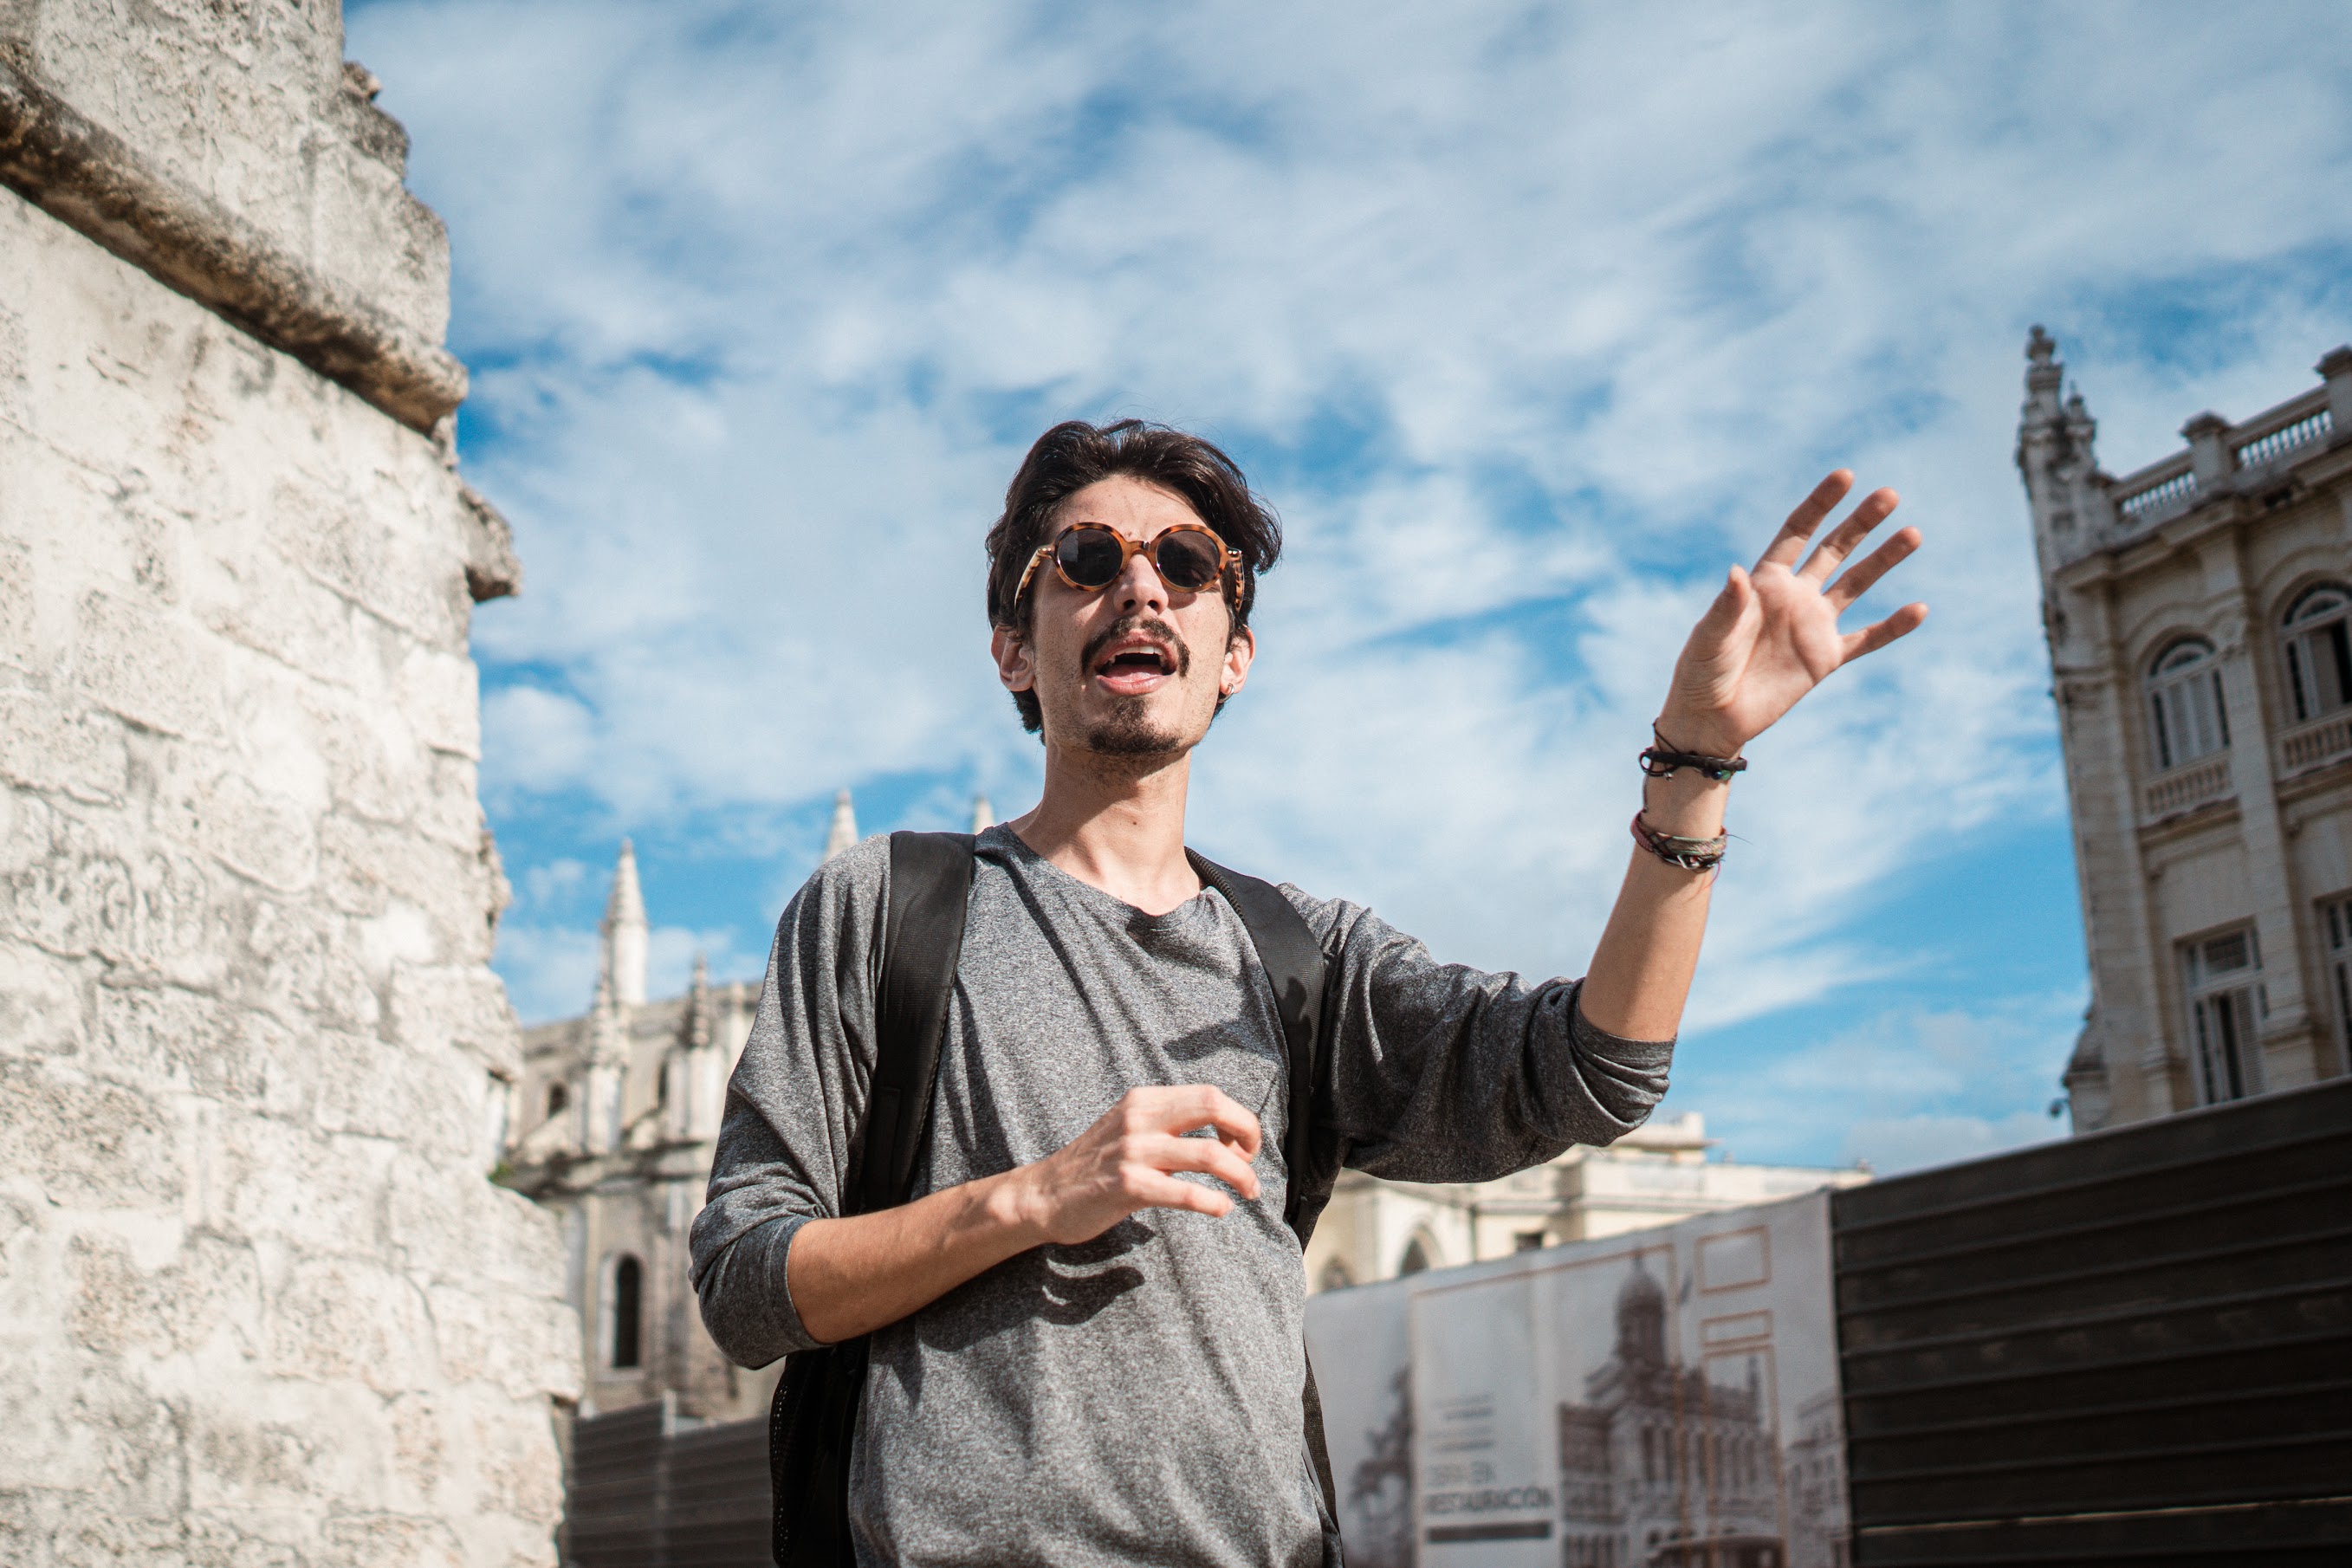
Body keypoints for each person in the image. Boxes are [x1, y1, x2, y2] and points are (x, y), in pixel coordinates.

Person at [690, 420, 1924, 1567]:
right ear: (1015, 644)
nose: (1140, 586)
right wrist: (1037, 1194)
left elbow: (1596, 1072)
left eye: (1185, 561)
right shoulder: (885, 907)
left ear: (1234, 655)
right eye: (1085, 558)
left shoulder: (1304, 956)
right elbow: (747, 1280)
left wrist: (1694, 766)